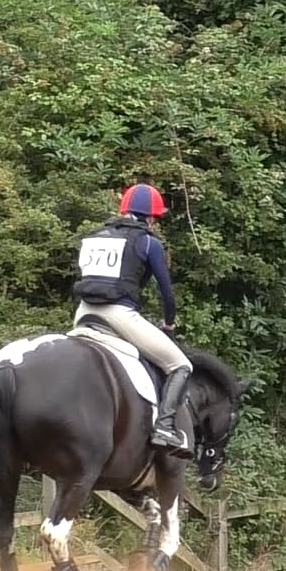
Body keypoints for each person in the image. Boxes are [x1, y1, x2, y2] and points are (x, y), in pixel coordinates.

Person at [71, 183, 195, 459]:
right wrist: (169, 323)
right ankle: (164, 428)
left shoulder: (94, 236)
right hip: (118, 315)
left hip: (83, 313)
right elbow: (165, 289)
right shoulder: (148, 241)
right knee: (180, 365)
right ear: (150, 217)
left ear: (124, 210)